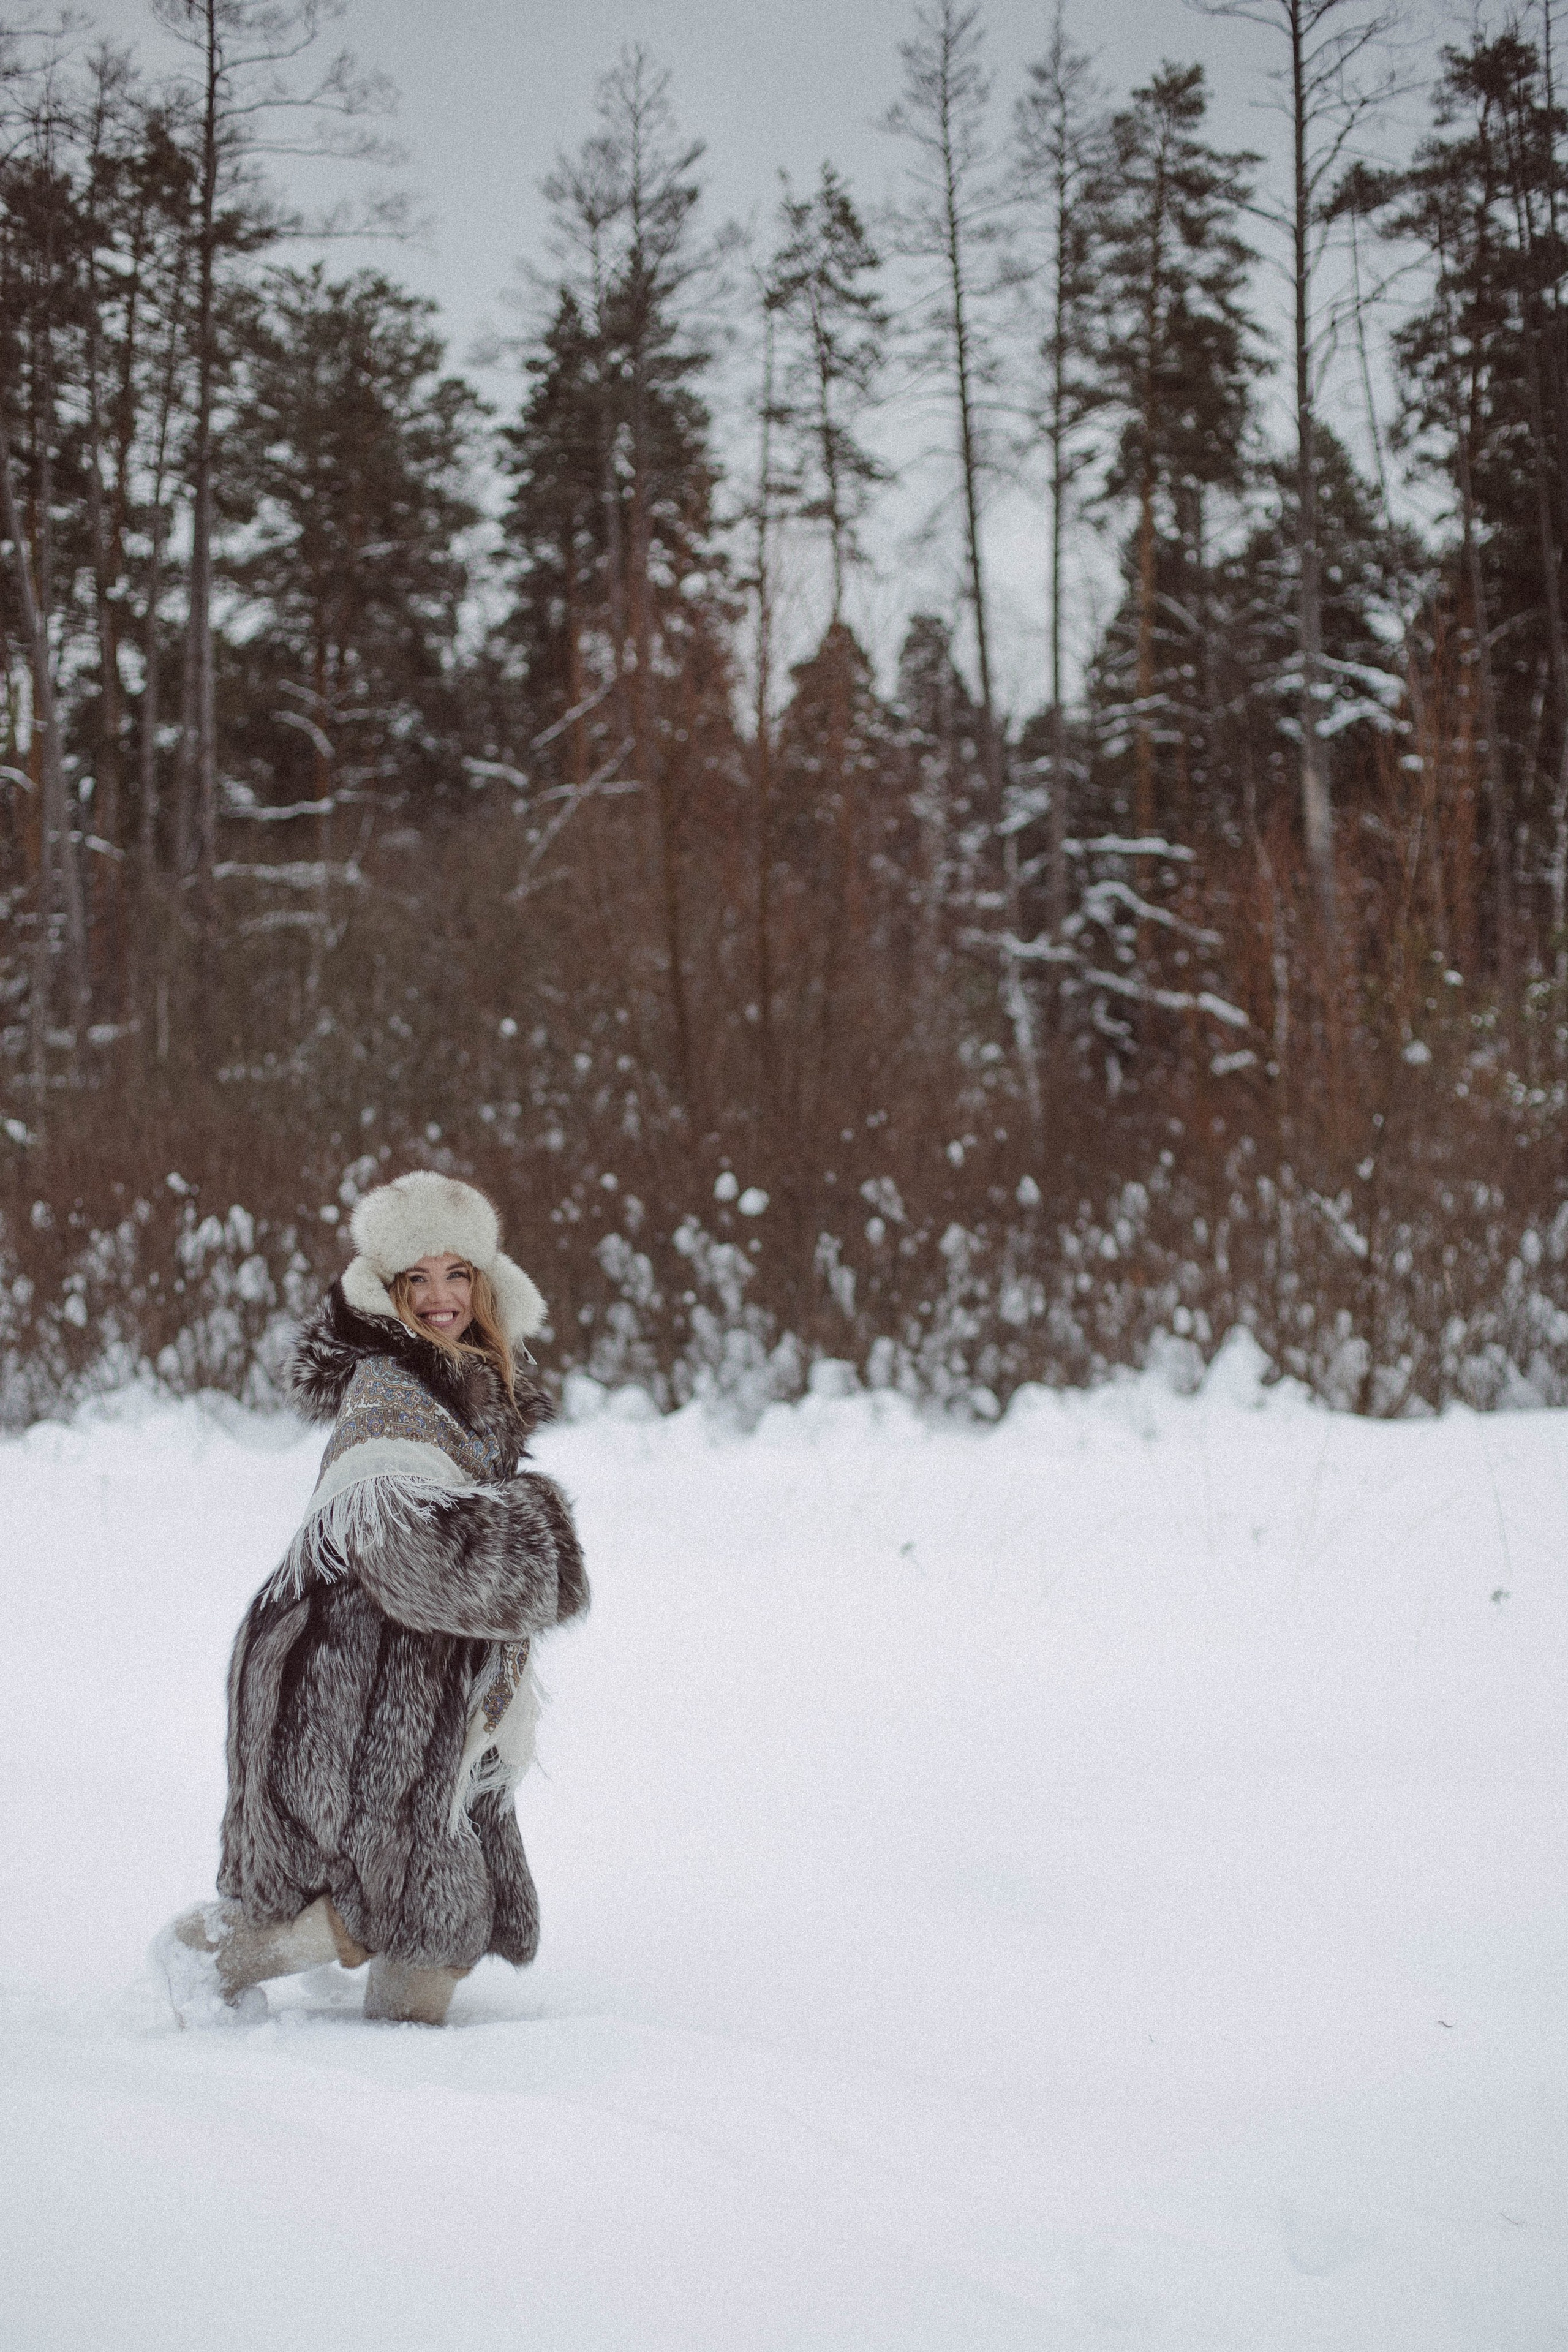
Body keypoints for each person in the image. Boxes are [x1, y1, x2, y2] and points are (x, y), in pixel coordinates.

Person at [154, 1170, 588, 2027]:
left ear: (484, 1283)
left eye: (456, 1274)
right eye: (415, 1279)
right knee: (386, 1904)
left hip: (416, 1684)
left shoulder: (466, 1388)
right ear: (385, 1290)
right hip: (351, 1689)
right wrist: (543, 1539)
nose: (439, 1298)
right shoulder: (389, 1397)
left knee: (432, 1915)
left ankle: (397, 2069)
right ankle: (217, 1957)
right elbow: (424, 1564)